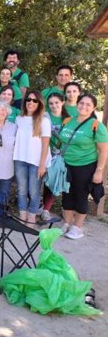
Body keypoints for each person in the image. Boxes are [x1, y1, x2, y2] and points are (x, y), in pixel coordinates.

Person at [56, 93, 108, 240]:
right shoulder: (67, 120)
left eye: (88, 105)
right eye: (81, 103)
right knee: (67, 195)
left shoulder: (96, 126)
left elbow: (104, 151)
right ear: (77, 104)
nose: (84, 107)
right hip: (66, 165)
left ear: (93, 108)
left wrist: (99, 171)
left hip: (85, 166)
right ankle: (66, 223)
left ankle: (77, 227)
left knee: (80, 196)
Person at [13, 90, 51, 224]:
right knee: (21, 189)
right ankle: (22, 215)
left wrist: (42, 165)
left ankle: (31, 217)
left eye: (35, 100)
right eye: (28, 99)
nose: (31, 102)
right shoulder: (19, 119)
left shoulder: (44, 121)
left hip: (36, 162)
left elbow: (46, 144)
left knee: (33, 191)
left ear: (39, 103)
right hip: (20, 159)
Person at [40, 92, 68, 221]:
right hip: (45, 152)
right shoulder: (44, 116)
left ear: (62, 102)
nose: (54, 105)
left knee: (52, 182)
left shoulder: (68, 119)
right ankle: (36, 205)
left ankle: (46, 209)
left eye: (57, 102)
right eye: (51, 103)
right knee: (39, 181)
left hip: (59, 155)